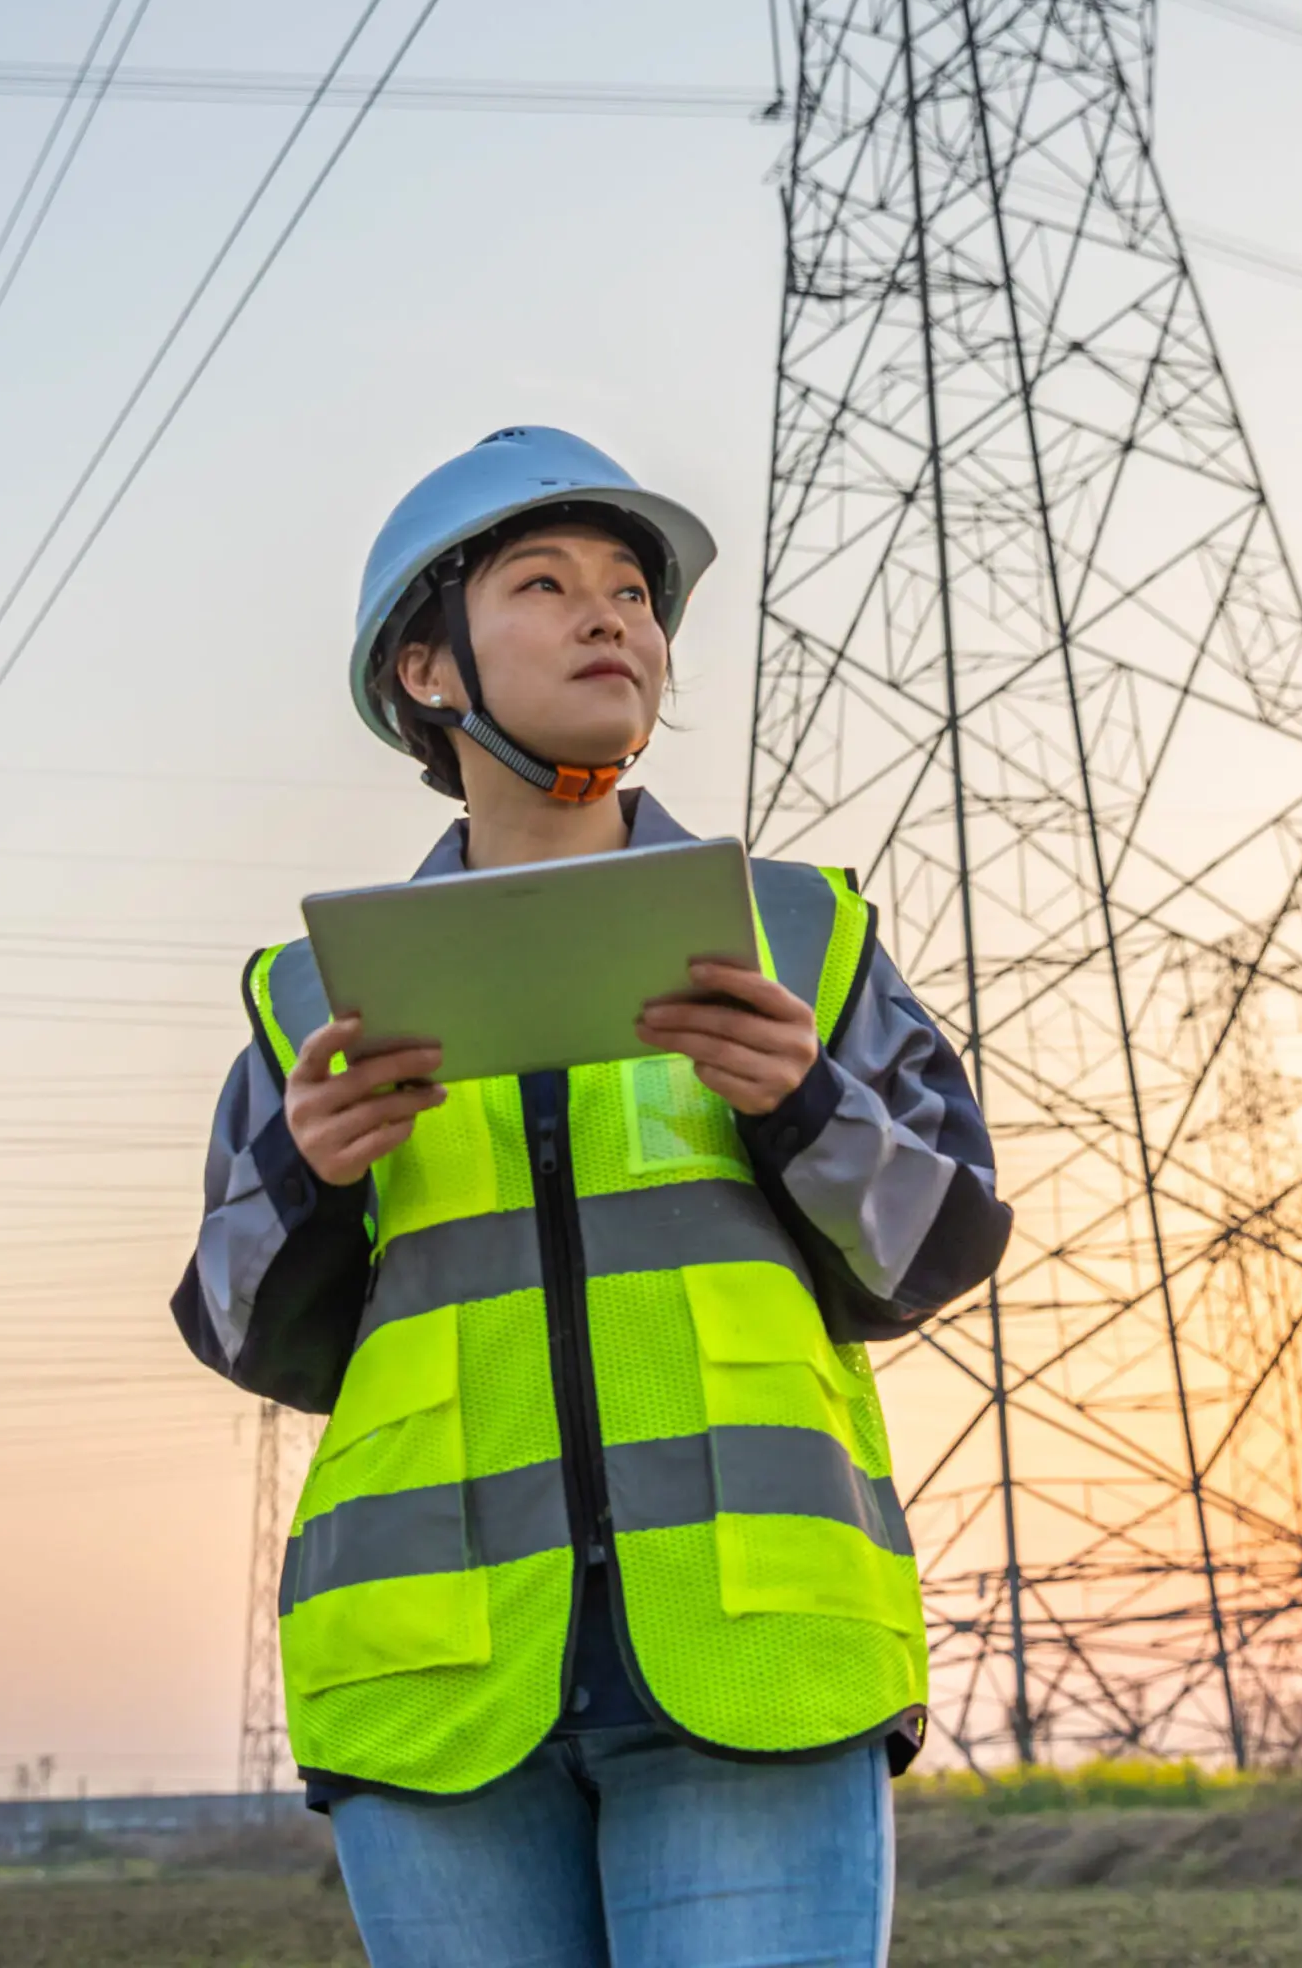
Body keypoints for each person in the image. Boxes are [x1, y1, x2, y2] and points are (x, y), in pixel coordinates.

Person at [172, 426, 1013, 1968]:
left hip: (754, 1652)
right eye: (545, 584)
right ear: (428, 670)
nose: (611, 615)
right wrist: (311, 1166)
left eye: (633, 591)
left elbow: (943, 1245)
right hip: (435, 1691)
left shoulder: (797, 938)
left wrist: (802, 1106)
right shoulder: (314, 1000)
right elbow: (240, 1328)